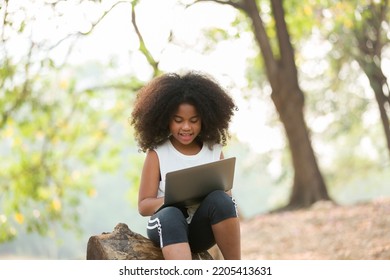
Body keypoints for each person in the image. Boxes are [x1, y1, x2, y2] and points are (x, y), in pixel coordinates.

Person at [130, 71, 241, 260]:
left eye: (194, 120)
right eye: (178, 120)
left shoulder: (213, 150)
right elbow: (144, 206)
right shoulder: (157, 152)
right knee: (171, 214)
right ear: (165, 118)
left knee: (222, 200)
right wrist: (176, 199)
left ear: (205, 119)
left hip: (200, 231)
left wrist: (210, 195)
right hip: (166, 225)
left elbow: (225, 199)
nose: (186, 127)